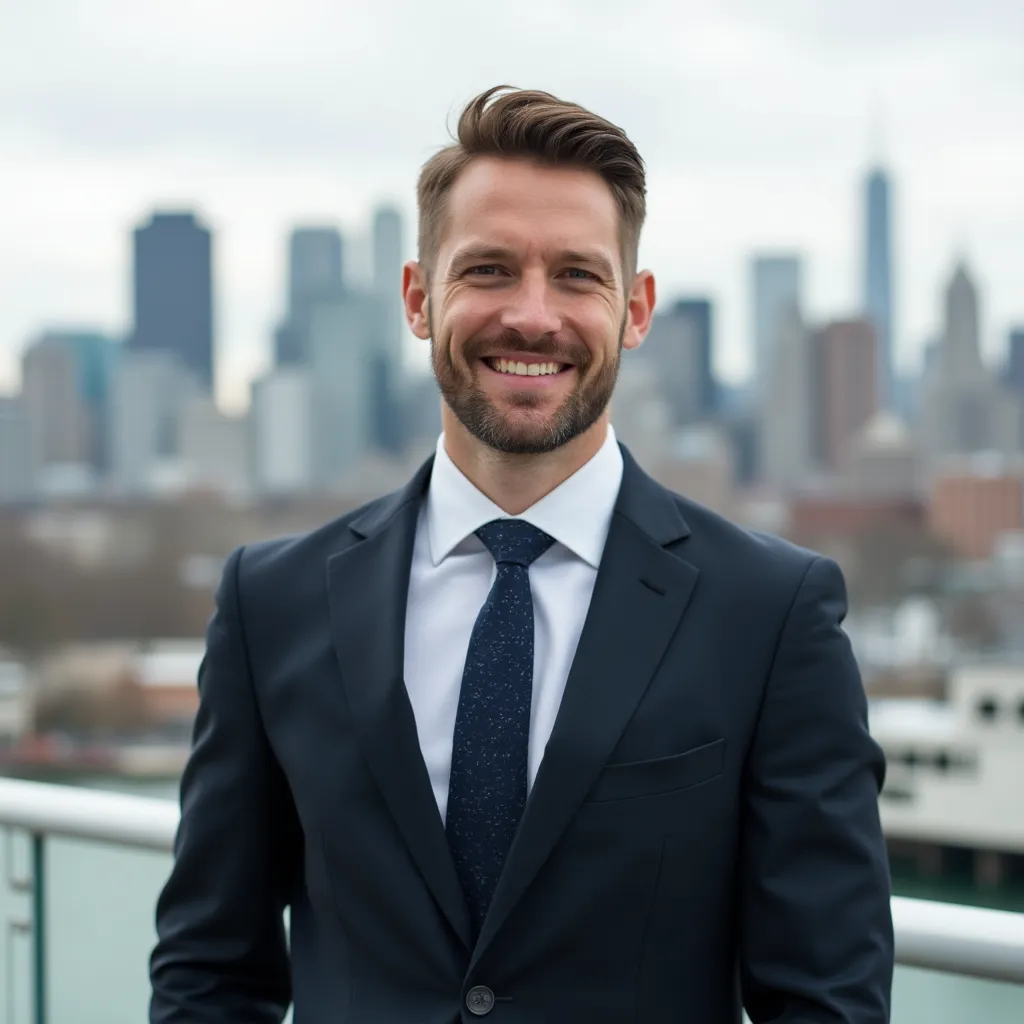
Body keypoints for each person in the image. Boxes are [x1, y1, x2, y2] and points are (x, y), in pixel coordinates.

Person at [149, 86, 894, 1023]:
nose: (533, 316)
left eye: (578, 276)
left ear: (637, 308)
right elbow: (210, 971)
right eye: (490, 270)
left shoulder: (771, 614)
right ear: (421, 298)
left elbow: (826, 999)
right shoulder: (273, 603)